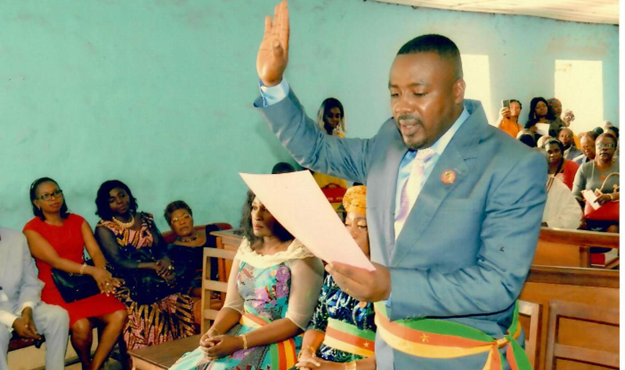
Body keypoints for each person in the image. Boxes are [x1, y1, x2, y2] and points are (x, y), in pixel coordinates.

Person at [254, 3, 547, 368]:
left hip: (460, 358)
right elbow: (315, 148)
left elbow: (496, 285)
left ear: (458, 91)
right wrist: (273, 84)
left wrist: (391, 285)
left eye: (418, 94)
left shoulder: (511, 163)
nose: (402, 108)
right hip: (390, 353)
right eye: (395, 94)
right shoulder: (388, 144)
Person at [169, 190, 324, 370]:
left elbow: (296, 322)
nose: (257, 216)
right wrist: (214, 332)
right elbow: (232, 306)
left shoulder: (303, 256)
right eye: (254, 207)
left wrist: (239, 343)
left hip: (278, 340)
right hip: (238, 333)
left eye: (266, 210)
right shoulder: (247, 249)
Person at [23, 178, 127, 370]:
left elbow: (95, 252)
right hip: (56, 289)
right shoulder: (31, 229)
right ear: (36, 203)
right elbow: (55, 261)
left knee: (119, 314)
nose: (53, 198)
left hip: (84, 284)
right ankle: (86, 363)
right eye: (45, 196)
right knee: (81, 326)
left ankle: (93, 367)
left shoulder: (77, 221)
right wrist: (92, 271)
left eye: (56, 192)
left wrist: (102, 274)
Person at [94, 180, 195, 350]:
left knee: (178, 301)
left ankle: (181, 360)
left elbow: (161, 248)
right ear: (105, 204)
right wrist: (151, 266)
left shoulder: (145, 218)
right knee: (146, 314)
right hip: (128, 285)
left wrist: (166, 264)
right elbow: (119, 262)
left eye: (122, 195)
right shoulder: (105, 228)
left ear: (129, 196)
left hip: (155, 278)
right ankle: (149, 362)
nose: (119, 201)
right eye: (112, 200)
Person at [296, 186, 376, 370]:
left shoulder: (389, 282)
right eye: (347, 224)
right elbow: (318, 322)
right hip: (321, 361)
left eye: (362, 226)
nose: (351, 233)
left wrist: (340, 368)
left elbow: (395, 352)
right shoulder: (336, 273)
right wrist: (308, 352)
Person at [0, 226, 69, 370]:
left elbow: (30, 281)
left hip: (17, 301)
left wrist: (27, 310)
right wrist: (13, 321)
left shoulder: (16, 238)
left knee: (58, 316)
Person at [164, 201, 220, 324]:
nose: (182, 222)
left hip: (226, 282)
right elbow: (180, 282)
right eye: (176, 220)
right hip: (201, 290)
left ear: (192, 218)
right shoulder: (173, 250)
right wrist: (201, 292)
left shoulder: (212, 232)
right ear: (171, 226)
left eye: (185, 217)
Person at [572, 133, 620, 233]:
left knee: (613, 229)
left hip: (616, 217)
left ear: (615, 149)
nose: (604, 148)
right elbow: (575, 196)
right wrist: (580, 216)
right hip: (590, 215)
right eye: (600, 145)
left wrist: (611, 196)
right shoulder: (585, 168)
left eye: (609, 145)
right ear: (595, 147)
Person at [537, 150, 582, 229]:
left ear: (548, 166)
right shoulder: (516, 186)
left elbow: (574, 217)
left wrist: (547, 225)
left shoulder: (560, 189)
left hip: (548, 237)